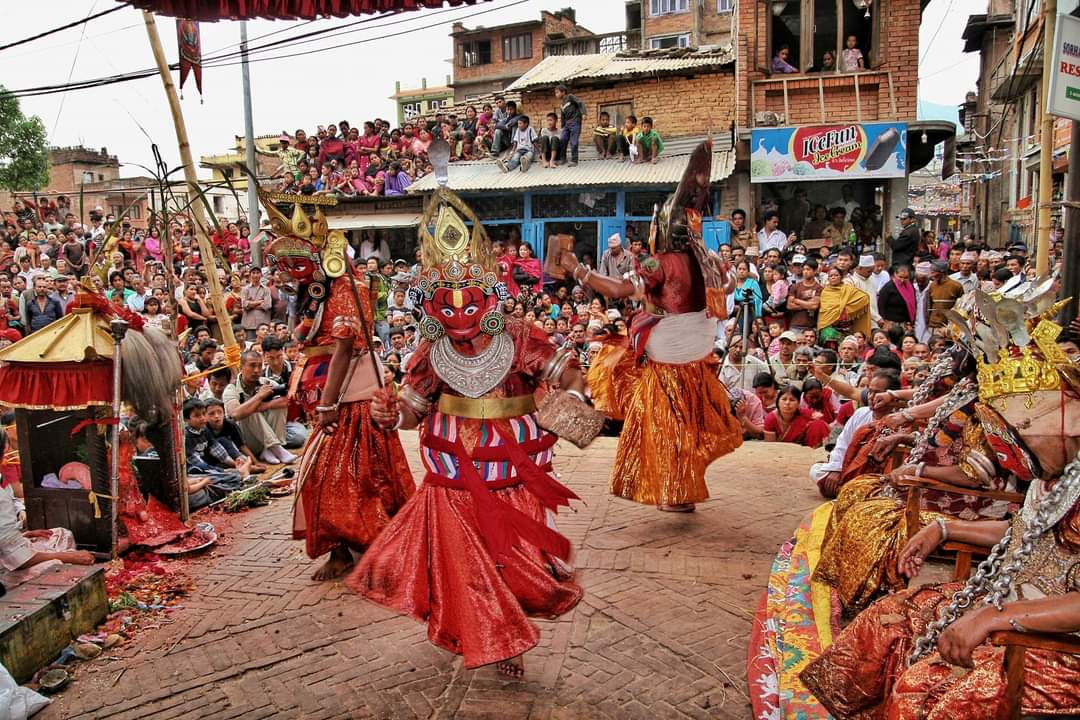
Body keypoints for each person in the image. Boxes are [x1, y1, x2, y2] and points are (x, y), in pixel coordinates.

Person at [801, 290, 1080, 718]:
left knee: (924, 687)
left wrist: (994, 617)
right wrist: (945, 529)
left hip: (1048, 647)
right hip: (1003, 601)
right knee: (889, 619)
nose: (1014, 446)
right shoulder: (1056, 474)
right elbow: (1026, 533)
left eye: (1025, 429)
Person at [351, 190, 588, 678]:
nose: (459, 314)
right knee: (467, 563)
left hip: (515, 474)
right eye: (446, 304)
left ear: (490, 297)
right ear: (431, 306)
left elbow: (568, 373)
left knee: (513, 561)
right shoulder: (428, 351)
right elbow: (412, 412)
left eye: (470, 302)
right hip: (452, 478)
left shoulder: (520, 336)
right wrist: (389, 415)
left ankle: (501, 628)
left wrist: (573, 399)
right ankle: (497, 637)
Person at [564, 140, 743, 512]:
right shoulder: (707, 257)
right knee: (684, 425)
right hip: (697, 360)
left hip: (669, 365)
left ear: (660, 228)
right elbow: (728, 287)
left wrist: (577, 270)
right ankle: (681, 489)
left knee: (662, 424)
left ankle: (676, 492)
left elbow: (618, 289)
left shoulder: (657, 262)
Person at [261, 200, 414, 582]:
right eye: (285, 267)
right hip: (339, 396)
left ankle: (360, 545)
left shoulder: (345, 287)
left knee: (339, 476)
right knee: (339, 475)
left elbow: (344, 349)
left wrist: (327, 405)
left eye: (296, 266)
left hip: (352, 400)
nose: (289, 274)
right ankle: (349, 546)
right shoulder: (323, 289)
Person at [222, 351, 297, 465]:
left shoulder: (266, 383)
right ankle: (276, 448)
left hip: (265, 436)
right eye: (252, 366)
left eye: (259, 366)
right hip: (245, 441)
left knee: (278, 407)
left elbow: (287, 400)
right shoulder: (231, 389)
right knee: (249, 409)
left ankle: (270, 449)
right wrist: (259, 397)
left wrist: (265, 405)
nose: (256, 370)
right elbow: (235, 414)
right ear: (241, 367)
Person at [817, 266, 871, 343]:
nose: (833, 277)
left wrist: (847, 309)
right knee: (828, 335)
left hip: (845, 326)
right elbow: (824, 310)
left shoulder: (848, 289)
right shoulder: (825, 292)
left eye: (836, 275)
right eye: (830, 276)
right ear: (828, 278)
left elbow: (864, 297)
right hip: (828, 326)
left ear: (841, 277)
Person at [763, 385, 829, 447]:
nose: (787, 403)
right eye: (784, 399)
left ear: (798, 404)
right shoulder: (771, 418)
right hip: (779, 451)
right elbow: (770, 446)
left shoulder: (805, 414)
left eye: (792, 400)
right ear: (778, 402)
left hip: (804, 450)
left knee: (818, 424)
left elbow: (823, 422)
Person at [927, 259, 965, 330]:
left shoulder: (956, 286)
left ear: (942, 272)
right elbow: (929, 305)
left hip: (948, 327)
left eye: (933, 272)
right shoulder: (932, 285)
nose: (931, 275)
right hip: (932, 326)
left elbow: (961, 307)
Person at [555, 83, 585, 166]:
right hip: (567, 124)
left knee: (573, 141)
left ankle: (574, 160)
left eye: (557, 92)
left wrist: (583, 113)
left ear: (563, 92)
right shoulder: (562, 104)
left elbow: (580, 103)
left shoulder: (570, 97)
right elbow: (562, 116)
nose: (556, 94)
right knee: (562, 139)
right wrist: (562, 127)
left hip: (575, 122)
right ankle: (563, 159)